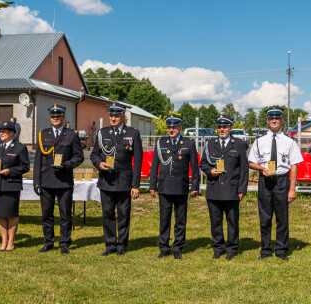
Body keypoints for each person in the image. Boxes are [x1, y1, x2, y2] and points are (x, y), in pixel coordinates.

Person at [248, 106, 303, 261]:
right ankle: (265, 249)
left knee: (282, 218)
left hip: (282, 181)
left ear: (281, 120)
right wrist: (261, 168)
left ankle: (281, 249)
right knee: (264, 217)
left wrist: (292, 189)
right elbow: (251, 162)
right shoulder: (259, 141)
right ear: (267, 121)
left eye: (277, 118)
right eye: (271, 118)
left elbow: (294, 165)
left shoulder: (289, 141)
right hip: (265, 182)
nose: (274, 121)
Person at [90, 103, 143, 256]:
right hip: (106, 181)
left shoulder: (133, 133)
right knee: (107, 214)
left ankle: (122, 245)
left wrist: (135, 185)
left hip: (124, 182)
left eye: (116, 115)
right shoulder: (102, 133)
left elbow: (138, 161)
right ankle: (110, 245)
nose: (113, 118)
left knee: (123, 215)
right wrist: (99, 163)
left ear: (123, 116)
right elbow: (94, 154)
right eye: (111, 115)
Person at [33, 104, 84, 254]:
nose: (55, 118)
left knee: (65, 214)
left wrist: (66, 165)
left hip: (64, 181)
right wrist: (37, 181)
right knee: (47, 214)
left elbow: (79, 157)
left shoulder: (71, 135)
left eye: (58, 116)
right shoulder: (43, 134)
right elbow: (38, 160)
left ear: (63, 117)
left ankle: (64, 243)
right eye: (53, 116)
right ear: (50, 117)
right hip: (47, 180)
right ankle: (48, 242)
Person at [149, 114, 199, 259]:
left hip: (180, 186)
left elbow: (194, 167)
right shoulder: (161, 142)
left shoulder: (188, 143)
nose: (171, 130)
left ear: (180, 127)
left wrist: (195, 186)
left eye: (174, 127)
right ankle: (164, 247)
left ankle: (177, 247)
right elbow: (155, 166)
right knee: (164, 219)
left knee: (180, 219)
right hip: (164, 186)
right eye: (169, 127)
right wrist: (153, 184)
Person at [200, 114, 248, 261]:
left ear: (230, 128)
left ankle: (232, 248)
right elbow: (203, 163)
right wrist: (210, 171)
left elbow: (244, 168)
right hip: (214, 189)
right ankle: (218, 248)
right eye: (219, 127)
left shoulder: (239, 144)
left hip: (232, 189)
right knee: (215, 221)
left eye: (225, 127)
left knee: (232, 221)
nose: (222, 129)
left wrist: (242, 189)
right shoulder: (210, 144)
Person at [0, 121, 30, 251]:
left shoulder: (19, 147)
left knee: (11, 214)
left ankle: (11, 242)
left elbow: (25, 167)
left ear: (12, 133)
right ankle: (3, 241)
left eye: (4, 131)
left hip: (11, 185)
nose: (0, 133)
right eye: (0, 131)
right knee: (0, 214)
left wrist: (10, 171)